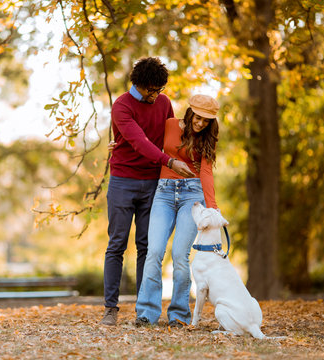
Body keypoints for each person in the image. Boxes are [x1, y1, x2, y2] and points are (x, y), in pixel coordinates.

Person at [100, 57, 195, 326]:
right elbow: (140, 142)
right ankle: (110, 308)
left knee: (147, 246)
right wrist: (169, 162)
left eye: (160, 89)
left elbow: (171, 138)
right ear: (140, 86)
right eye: (152, 90)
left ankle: (144, 310)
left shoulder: (163, 103)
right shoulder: (121, 106)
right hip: (122, 181)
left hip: (153, 183)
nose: (157, 95)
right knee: (117, 244)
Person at [134, 94, 221, 328]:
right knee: (154, 252)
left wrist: (212, 207)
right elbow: (143, 142)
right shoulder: (170, 124)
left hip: (192, 195)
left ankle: (179, 314)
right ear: (191, 111)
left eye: (207, 121)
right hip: (163, 193)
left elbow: (206, 172)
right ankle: (147, 313)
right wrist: (117, 146)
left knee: (180, 257)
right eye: (199, 118)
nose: (201, 123)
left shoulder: (207, 138)